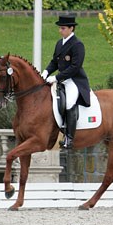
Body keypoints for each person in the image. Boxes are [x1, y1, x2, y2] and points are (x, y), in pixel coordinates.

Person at [41, 15, 90, 149]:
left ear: (71, 28)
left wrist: (56, 78)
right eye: (60, 28)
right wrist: (46, 72)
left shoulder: (77, 45)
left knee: (69, 103)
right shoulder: (59, 43)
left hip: (74, 80)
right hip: (63, 79)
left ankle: (69, 138)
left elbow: (75, 67)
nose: (60, 31)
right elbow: (54, 62)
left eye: (62, 28)